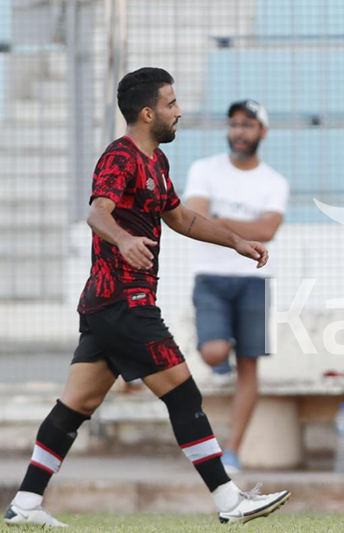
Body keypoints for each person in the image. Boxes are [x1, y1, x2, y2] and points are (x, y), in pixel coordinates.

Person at [3, 68, 289, 527]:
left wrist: (235, 241)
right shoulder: (120, 157)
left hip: (106, 306)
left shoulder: (156, 161)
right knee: (182, 390)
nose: (180, 112)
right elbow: (98, 213)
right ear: (148, 112)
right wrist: (123, 240)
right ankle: (228, 500)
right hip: (123, 302)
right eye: (172, 104)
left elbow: (181, 218)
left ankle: (26, 504)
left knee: (76, 404)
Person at [184, 99, 289, 474]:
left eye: (247, 125)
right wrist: (234, 223)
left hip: (254, 281)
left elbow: (267, 231)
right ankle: (219, 362)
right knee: (213, 352)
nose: (239, 132)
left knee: (250, 368)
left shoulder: (274, 181)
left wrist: (219, 219)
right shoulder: (204, 169)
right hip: (211, 276)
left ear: (262, 131)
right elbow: (192, 216)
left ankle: (232, 450)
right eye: (234, 124)